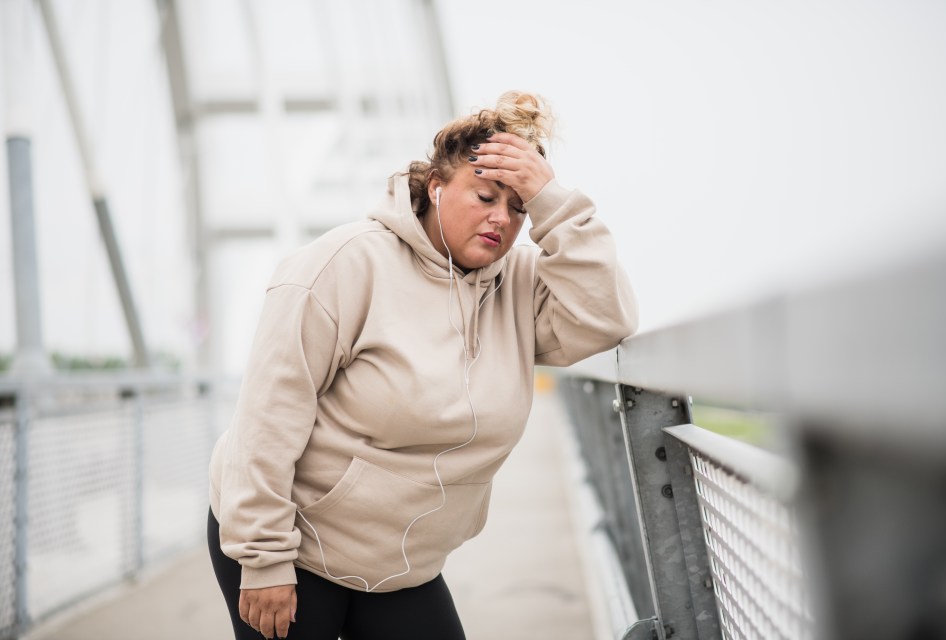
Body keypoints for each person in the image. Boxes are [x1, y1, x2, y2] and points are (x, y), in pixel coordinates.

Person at [207, 91, 638, 640]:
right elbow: (265, 420)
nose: (501, 219)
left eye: (519, 206)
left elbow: (607, 318)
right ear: (436, 186)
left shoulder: (520, 284)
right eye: (484, 196)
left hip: (402, 568)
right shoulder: (344, 265)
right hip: (296, 547)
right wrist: (264, 557)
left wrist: (554, 201)